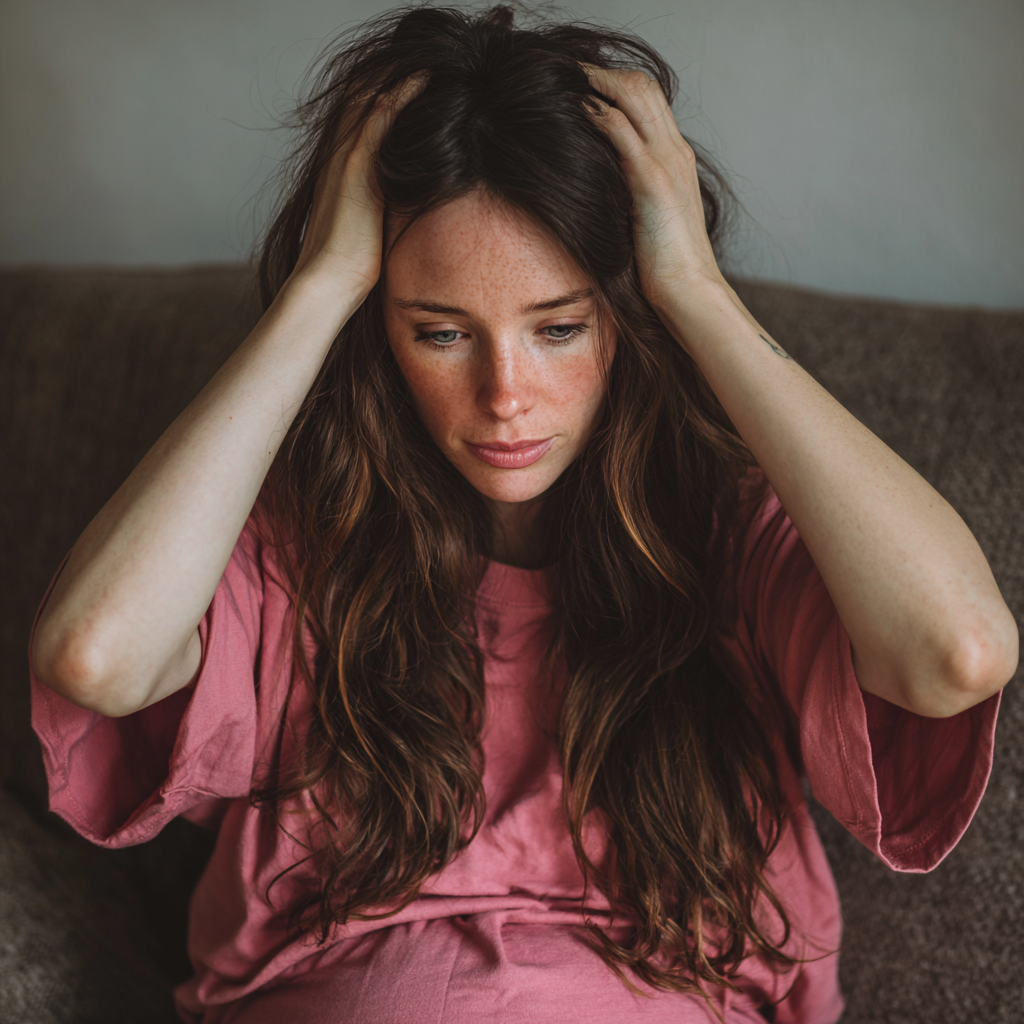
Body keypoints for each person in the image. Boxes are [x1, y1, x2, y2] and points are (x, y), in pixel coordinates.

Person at [28, 5, 1017, 1023]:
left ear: (628, 319)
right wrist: (319, 289)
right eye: (442, 333)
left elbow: (959, 651)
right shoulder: (298, 542)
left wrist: (697, 292)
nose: (505, 395)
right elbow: (95, 656)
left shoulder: (728, 535)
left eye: (559, 328)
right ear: (379, 333)